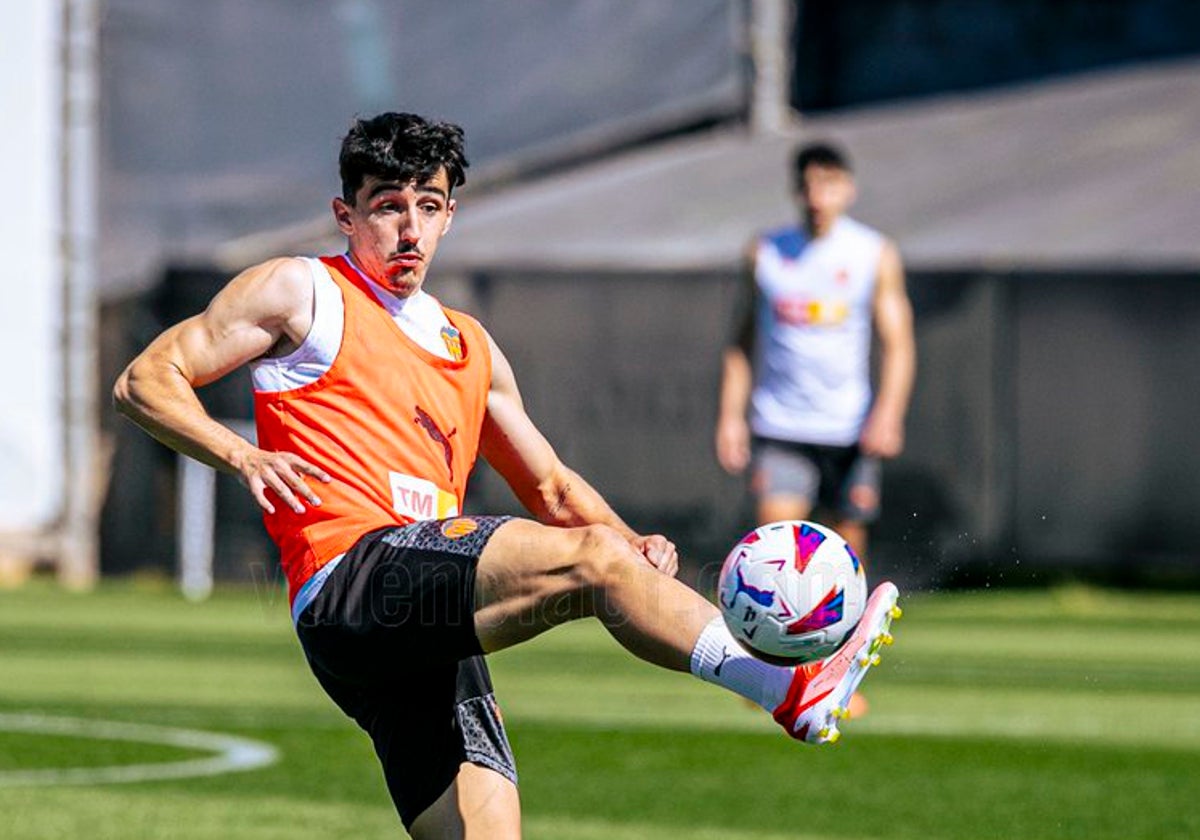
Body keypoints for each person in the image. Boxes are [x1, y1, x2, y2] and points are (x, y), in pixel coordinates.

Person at [114, 113, 900, 839]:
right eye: (387, 205)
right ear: (344, 214)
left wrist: (632, 546)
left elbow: (551, 487)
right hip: (355, 584)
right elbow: (146, 380)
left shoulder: (469, 347)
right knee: (589, 561)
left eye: (429, 204)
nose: (409, 228)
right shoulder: (303, 291)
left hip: (430, 627)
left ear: (450, 214)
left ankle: (774, 681)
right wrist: (241, 453)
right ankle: (784, 689)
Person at [716, 140, 916, 565]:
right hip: (781, 424)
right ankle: (771, 630)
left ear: (848, 189)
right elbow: (739, 341)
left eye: (828, 185)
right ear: (796, 191)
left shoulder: (872, 254)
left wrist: (889, 413)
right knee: (774, 545)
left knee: (843, 556)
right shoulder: (766, 252)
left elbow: (898, 344)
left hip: (848, 426)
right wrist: (730, 417)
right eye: (808, 186)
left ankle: (844, 632)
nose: (816, 198)